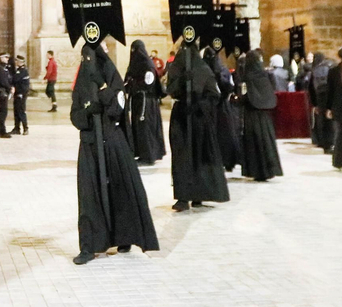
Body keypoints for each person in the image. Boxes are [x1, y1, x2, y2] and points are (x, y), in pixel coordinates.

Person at [69, 42, 160, 265]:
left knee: (121, 189)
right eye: (84, 59)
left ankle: (124, 236)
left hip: (112, 141)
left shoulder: (111, 76)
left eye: (91, 59)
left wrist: (102, 90)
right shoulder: (80, 84)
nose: (87, 63)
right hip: (90, 143)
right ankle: (90, 245)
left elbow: (117, 107)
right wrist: (88, 111)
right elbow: (75, 116)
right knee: (89, 195)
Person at [165, 39, 228, 211]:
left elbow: (214, 94)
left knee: (199, 155)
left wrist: (200, 104)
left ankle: (199, 194)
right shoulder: (176, 69)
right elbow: (170, 90)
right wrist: (181, 82)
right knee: (182, 157)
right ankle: (183, 196)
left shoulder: (204, 70)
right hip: (181, 118)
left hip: (199, 119)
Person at [237, 49, 283, 181]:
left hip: (252, 114)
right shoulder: (265, 74)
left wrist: (237, 100)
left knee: (254, 142)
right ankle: (270, 169)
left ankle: (257, 170)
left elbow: (246, 96)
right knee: (267, 142)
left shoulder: (248, 76)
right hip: (265, 115)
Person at [123, 39, 166, 165]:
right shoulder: (133, 66)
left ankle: (149, 154)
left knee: (146, 127)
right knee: (139, 127)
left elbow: (148, 83)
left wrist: (133, 84)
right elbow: (127, 81)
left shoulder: (148, 65)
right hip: (138, 101)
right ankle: (141, 152)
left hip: (146, 102)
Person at [204, 46, 240, 172]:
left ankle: (212, 160)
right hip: (223, 107)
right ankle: (228, 160)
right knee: (226, 133)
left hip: (209, 107)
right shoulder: (224, 70)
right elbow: (230, 86)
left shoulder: (203, 70)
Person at [305, 52, 334, 150]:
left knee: (320, 120)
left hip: (319, 97)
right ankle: (331, 141)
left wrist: (314, 103)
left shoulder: (315, 70)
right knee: (330, 120)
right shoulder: (331, 67)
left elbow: (311, 88)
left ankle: (321, 141)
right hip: (330, 96)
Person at [0, 53, 14, 138]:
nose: (7, 59)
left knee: (2, 111)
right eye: (6, 57)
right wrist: (10, 88)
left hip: (3, 90)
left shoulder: (2, 67)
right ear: (1, 58)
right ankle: (2, 131)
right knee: (3, 112)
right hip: (2, 91)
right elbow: (3, 81)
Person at [12, 55, 31, 134]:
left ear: (21, 62)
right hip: (17, 94)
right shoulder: (19, 70)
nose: (15, 62)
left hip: (21, 94)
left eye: (17, 61)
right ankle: (17, 128)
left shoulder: (22, 71)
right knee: (16, 111)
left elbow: (15, 79)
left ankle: (25, 128)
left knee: (21, 111)